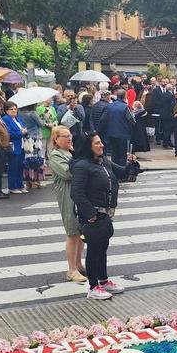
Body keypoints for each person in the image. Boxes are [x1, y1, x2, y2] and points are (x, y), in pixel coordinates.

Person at [71, 132, 127, 300]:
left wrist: (131, 164)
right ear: (89, 147)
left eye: (101, 142)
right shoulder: (82, 166)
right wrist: (91, 214)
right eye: (97, 143)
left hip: (105, 213)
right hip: (93, 214)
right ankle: (93, 286)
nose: (101, 145)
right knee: (94, 250)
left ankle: (103, 280)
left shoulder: (103, 162)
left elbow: (122, 173)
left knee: (102, 249)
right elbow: (77, 193)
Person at [48, 126, 86, 283]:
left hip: (80, 195)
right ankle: (71, 269)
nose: (69, 138)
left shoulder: (72, 152)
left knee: (81, 232)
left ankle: (78, 263)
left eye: (69, 135)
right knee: (72, 231)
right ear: (56, 139)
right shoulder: (56, 155)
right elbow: (68, 173)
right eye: (64, 136)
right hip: (67, 195)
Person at [1, 101, 28, 194]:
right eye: (11, 109)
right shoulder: (5, 119)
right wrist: (21, 132)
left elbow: (24, 128)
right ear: (6, 111)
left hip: (21, 145)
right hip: (13, 146)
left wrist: (24, 131)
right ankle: (12, 186)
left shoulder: (18, 118)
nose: (14, 111)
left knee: (20, 166)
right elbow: (9, 133)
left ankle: (20, 185)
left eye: (15, 109)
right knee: (13, 167)